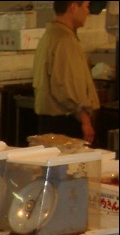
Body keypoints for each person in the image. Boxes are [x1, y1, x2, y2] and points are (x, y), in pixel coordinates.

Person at [33, 1, 100, 144]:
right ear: (74, 6)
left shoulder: (51, 36)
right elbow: (66, 86)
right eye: (86, 6)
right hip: (65, 123)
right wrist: (84, 120)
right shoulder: (64, 40)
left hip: (53, 121)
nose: (88, 12)